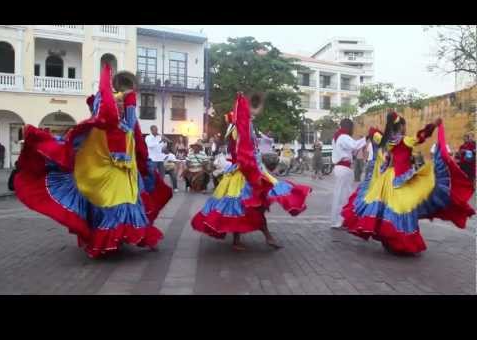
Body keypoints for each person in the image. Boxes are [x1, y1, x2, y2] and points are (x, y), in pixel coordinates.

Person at [13, 66, 173, 258]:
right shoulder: (101, 120)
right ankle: (110, 240)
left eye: (123, 101)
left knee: (130, 202)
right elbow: (94, 125)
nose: (121, 104)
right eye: (118, 102)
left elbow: (131, 118)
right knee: (115, 203)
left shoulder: (128, 123)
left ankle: (134, 236)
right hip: (107, 170)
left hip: (128, 173)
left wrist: (129, 95)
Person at [191, 92, 312, 251]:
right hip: (246, 171)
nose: (253, 113)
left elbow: (245, 145)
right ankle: (266, 237)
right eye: (250, 110)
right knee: (250, 206)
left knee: (242, 207)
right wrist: (252, 168)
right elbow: (243, 152)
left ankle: (244, 239)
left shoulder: (239, 126)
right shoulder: (240, 127)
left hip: (247, 170)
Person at [342, 112, 475, 255]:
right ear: (401, 127)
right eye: (404, 126)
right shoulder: (404, 140)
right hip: (401, 180)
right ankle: (400, 243)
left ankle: (390, 241)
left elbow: (372, 132)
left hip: (387, 178)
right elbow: (421, 137)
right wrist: (434, 125)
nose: (406, 128)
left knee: (386, 208)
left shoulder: (387, 140)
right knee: (403, 208)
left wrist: (381, 130)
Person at [330, 119, 367, 229]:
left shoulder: (337, 137)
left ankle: (342, 219)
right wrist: (367, 138)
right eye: (352, 128)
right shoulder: (343, 136)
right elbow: (355, 145)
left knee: (344, 195)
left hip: (341, 168)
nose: (353, 130)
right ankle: (337, 221)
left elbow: (351, 149)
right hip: (343, 168)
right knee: (342, 195)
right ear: (348, 127)